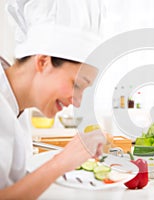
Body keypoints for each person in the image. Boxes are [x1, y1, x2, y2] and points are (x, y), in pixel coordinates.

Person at [0, 0, 106, 198]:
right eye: (76, 85)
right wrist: (61, 161)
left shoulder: (16, 108)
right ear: (43, 62)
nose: (77, 102)